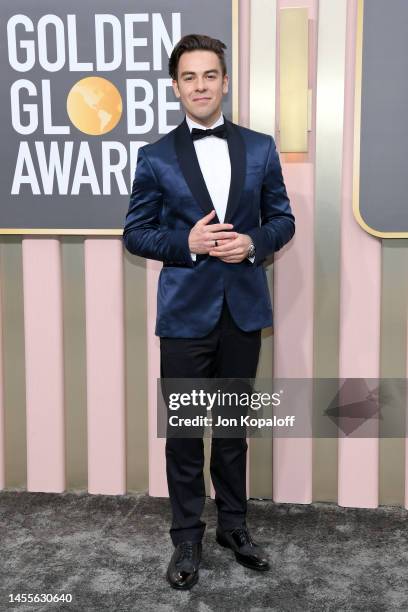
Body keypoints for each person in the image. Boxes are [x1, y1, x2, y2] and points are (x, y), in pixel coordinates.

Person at [123, 33, 295, 590]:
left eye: (210, 75)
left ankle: (235, 528)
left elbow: (283, 220)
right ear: (177, 87)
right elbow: (136, 234)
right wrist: (187, 243)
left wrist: (254, 244)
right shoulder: (154, 157)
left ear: (225, 81)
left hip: (243, 309)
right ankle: (187, 538)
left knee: (233, 430)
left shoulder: (262, 147)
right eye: (189, 77)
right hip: (185, 316)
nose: (201, 86)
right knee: (184, 433)